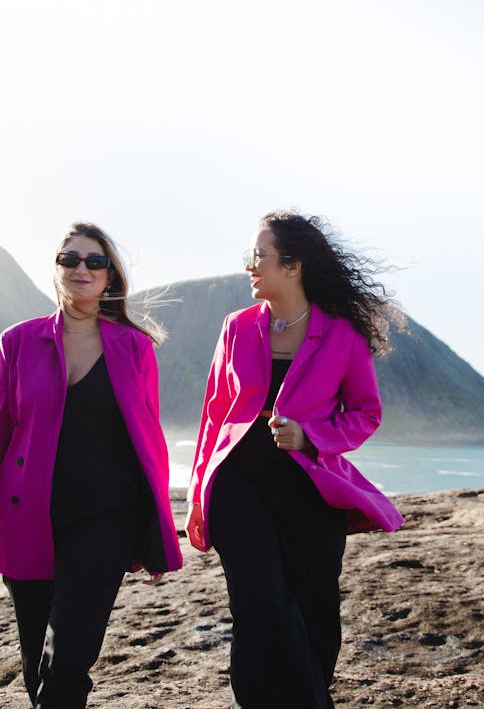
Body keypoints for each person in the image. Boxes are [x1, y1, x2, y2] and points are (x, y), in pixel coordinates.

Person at [185, 211, 405, 709]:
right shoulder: (236, 327)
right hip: (238, 482)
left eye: (258, 256)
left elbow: (366, 415)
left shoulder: (343, 335)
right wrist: (200, 491)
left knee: (314, 607)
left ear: (293, 266)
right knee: (258, 603)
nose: (250, 266)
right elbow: (213, 415)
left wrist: (311, 435)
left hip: (310, 487)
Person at [0, 222, 182, 709]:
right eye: (71, 259)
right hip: (27, 519)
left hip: (106, 519)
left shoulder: (135, 348)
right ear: (57, 268)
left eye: (95, 261)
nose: (82, 269)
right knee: (37, 670)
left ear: (109, 278)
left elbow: (148, 445)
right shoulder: (17, 342)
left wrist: (153, 531)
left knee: (67, 661)